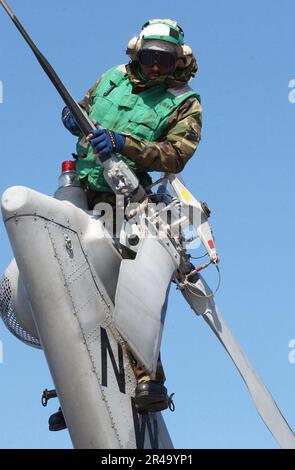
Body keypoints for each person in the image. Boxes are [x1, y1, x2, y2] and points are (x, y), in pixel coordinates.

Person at [49, 18, 202, 431]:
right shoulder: (112, 79)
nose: (155, 68)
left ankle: (148, 378)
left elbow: (175, 154)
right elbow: (80, 107)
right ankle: (80, 386)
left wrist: (123, 144)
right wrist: (73, 116)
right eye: (150, 58)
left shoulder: (183, 101)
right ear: (137, 52)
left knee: (125, 290)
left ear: (177, 62)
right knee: (71, 288)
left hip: (127, 202)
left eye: (165, 61)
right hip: (81, 191)